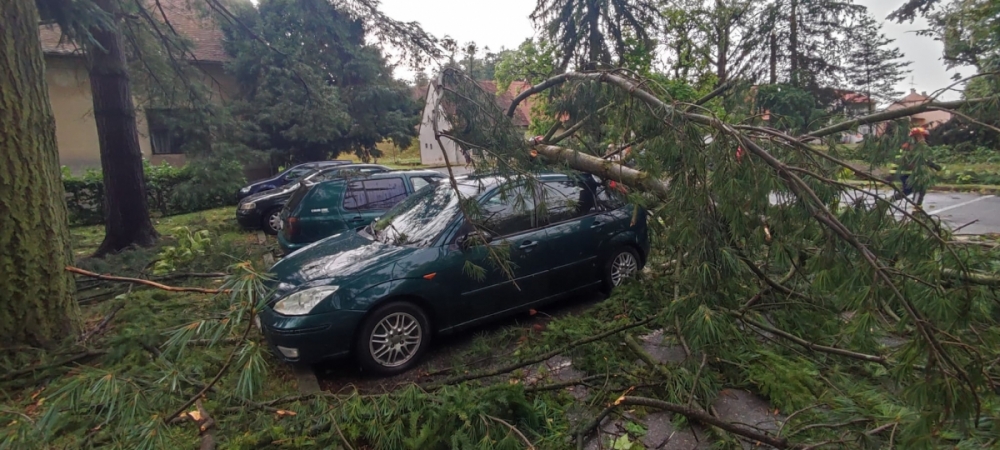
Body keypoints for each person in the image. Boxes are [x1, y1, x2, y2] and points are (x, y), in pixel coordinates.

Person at [889, 127, 942, 206]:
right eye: (921, 137)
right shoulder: (910, 147)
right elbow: (915, 161)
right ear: (915, 137)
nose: (923, 139)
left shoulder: (914, 147)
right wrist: (932, 165)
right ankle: (916, 208)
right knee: (918, 188)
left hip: (908, 173)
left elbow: (922, 159)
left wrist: (932, 165)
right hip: (906, 173)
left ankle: (889, 201)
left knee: (909, 191)